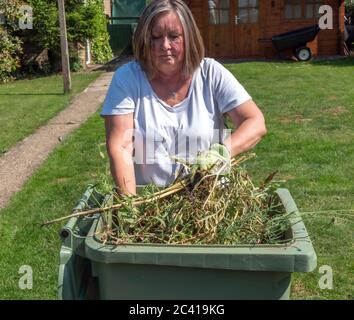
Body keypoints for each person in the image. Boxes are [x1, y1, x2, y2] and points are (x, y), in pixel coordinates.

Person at [101, 0, 266, 196]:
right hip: (151, 200)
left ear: (188, 38)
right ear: (145, 39)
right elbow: (121, 145)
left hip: (211, 200)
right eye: (156, 37)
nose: (165, 45)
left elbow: (255, 122)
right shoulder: (127, 79)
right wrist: (130, 206)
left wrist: (221, 153)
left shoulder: (210, 73)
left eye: (174, 36)